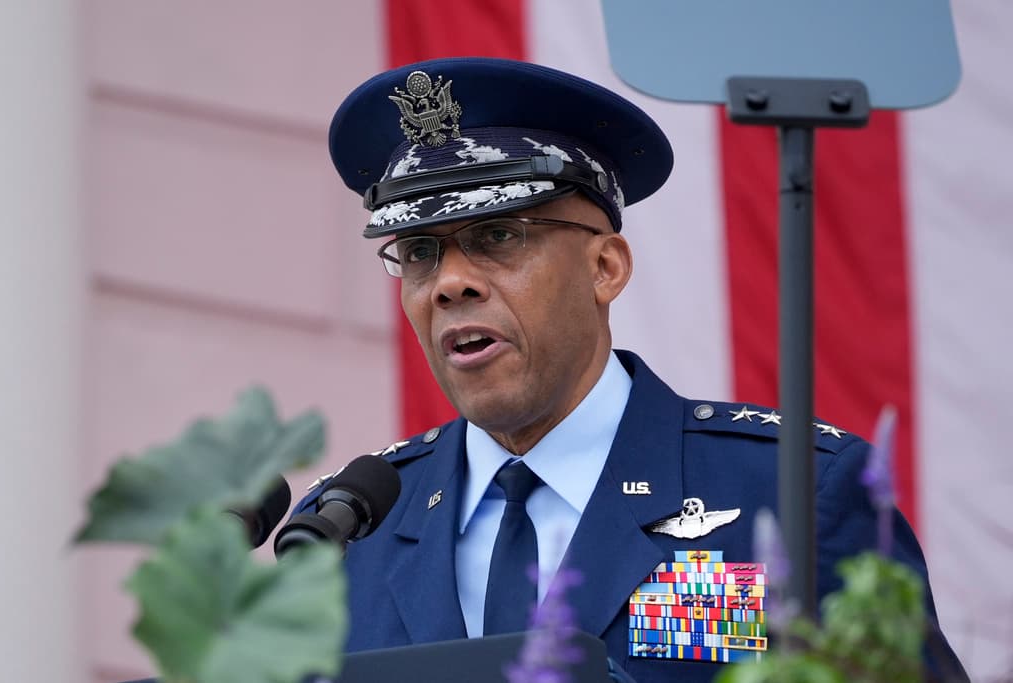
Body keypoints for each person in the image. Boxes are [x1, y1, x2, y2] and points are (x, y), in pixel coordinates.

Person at [294, 57, 966, 682]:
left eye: (497, 236)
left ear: (605, 267)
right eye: (419, 252)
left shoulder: (794, 492)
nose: (449, 283)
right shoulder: (343, 534)